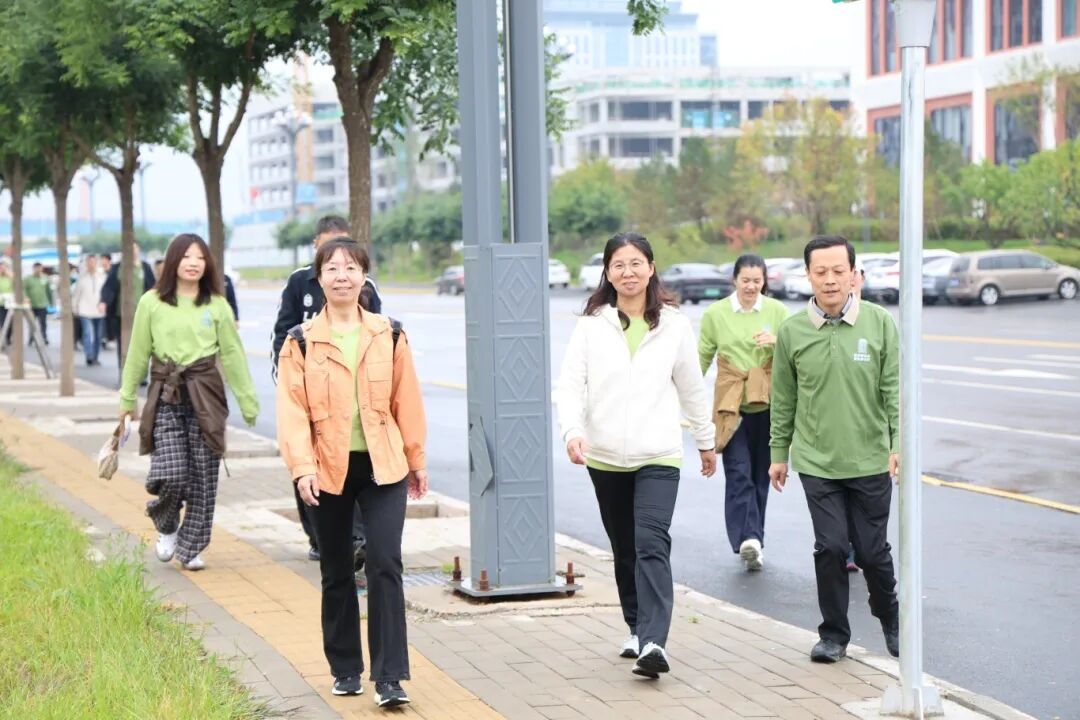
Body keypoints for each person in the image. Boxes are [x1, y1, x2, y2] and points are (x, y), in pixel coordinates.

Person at [556, 232, 716, 680]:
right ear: (608, 273)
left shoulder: (674, 325)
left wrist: (705, 441)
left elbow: (691, 387)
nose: (628, 272)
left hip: (659, 455)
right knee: (624, 547)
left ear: (651, 267)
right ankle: (635, 626)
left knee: (651, 542)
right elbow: (570, 386)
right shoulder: (592, 325)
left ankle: (654, 641)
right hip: (605, 456)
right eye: (619, 265)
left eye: (636, 263)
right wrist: (572, 431)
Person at [276, 238, 427, 707]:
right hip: (327, 468)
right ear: (319, 278)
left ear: (364, 276)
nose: (342, 276)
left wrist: (417, 460)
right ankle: (345, 668)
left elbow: (407, 401)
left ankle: (390, 677)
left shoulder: (390, 333)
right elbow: (292, 413)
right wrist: (302, 467)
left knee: (385, 562)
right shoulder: (300, 341)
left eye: (351, 267)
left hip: (384, 466)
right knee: (337, 568)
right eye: (332, 268)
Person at [768, 235, 900, 664]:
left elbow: (894, 390)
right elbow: (783, 398)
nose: (830, 279)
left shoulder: (879, 323)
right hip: (817, 461)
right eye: (820, 271)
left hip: (870, 459)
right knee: (830, 547)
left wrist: (898, 444)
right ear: (808, 275)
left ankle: (890, 615)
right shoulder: (792, 331)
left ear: (854, 274)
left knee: (872, 553)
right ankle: (833, 635)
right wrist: (779, 454)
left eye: (838, 271)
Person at [119, 233, 258, 572]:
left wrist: (247, 401)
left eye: (200, 257)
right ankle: (167, 525)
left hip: (206, 396)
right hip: (166, 395)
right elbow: (137, 352)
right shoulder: (152, 302)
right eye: (186, 257)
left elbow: (232, 354)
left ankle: (192, 545)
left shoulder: (217, 305)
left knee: (203, 477)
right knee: (171, 473)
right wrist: (127, 399)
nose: (194, 263)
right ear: (173, 261)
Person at [271, 215, 381, 565]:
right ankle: (318, 537)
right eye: (329, 249)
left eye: (345, 247)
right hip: (310, 392)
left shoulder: (366, 286)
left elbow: (379, 340)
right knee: (308, 465)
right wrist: (286, 377)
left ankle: (357, 541)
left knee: (354, 469)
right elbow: (282, 331)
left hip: (353, 396)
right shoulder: (299, 281)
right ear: (316, 247)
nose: (340, 267)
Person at [697, 254, 789, 572]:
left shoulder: (777, 312)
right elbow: (702, 357)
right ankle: (748, 538)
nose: (751, 286)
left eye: (757, 281)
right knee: (738, 473)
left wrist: (777, 341)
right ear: (734, 279)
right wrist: (684, 395)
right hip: (731, 404)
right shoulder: (716, 314)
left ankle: (754, 541)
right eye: (745, 280)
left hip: (768, 403)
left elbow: (796, 352)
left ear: (764, 281)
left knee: (761, 475)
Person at [100, 243, 156, 364]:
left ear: (138, 250)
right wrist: (104, 301)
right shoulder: (118, 268)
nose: (132, 251)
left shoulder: (144, 267)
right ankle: (123, 370)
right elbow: (109, 286)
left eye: (135, 248)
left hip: (141, 313)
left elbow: (153, 287)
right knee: (123, 344)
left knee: (141, 344)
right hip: (121, 314)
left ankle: (140, 370)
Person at [72, 254, 107, 365]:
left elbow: (106, 293)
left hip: (99, 310)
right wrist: (74, 308)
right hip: (84, 309)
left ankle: (95, 356)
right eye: (89, 262)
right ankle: (89, 355)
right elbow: (76, 294)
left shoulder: (102, 277)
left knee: (98, 335)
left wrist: (105, 304)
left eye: (93, 262)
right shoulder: (82, 278)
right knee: (87, 333)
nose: (91, 264)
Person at [24, 262, 53, 344]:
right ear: (33, 269)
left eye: (40, 268)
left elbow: (48, 291)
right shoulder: (28, 279)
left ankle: (44, 337)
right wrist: (26, 298)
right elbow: (24, 290)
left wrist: (51, 302)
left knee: (43, 322)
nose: (38, 270)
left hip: (42, 304)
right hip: (31, 305)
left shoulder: (45, 278)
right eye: (36, 268)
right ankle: (31, 337)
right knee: (31, 322)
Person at [99, 253, 115, 348]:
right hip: (102, 299)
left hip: (111, 300)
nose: (102, 261)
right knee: (104, 320)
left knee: (110, 320)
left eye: (104, 259)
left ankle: (110, 338)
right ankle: (104, 337)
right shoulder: (100, 272)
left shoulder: (113, 271)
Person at [0, 260, 13, 344]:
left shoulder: (10, 277)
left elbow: (16, 286)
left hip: (9, 303)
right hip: (0, 303)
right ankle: (3, 339)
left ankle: (8, 337)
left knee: (10, 321)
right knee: (2, 321)